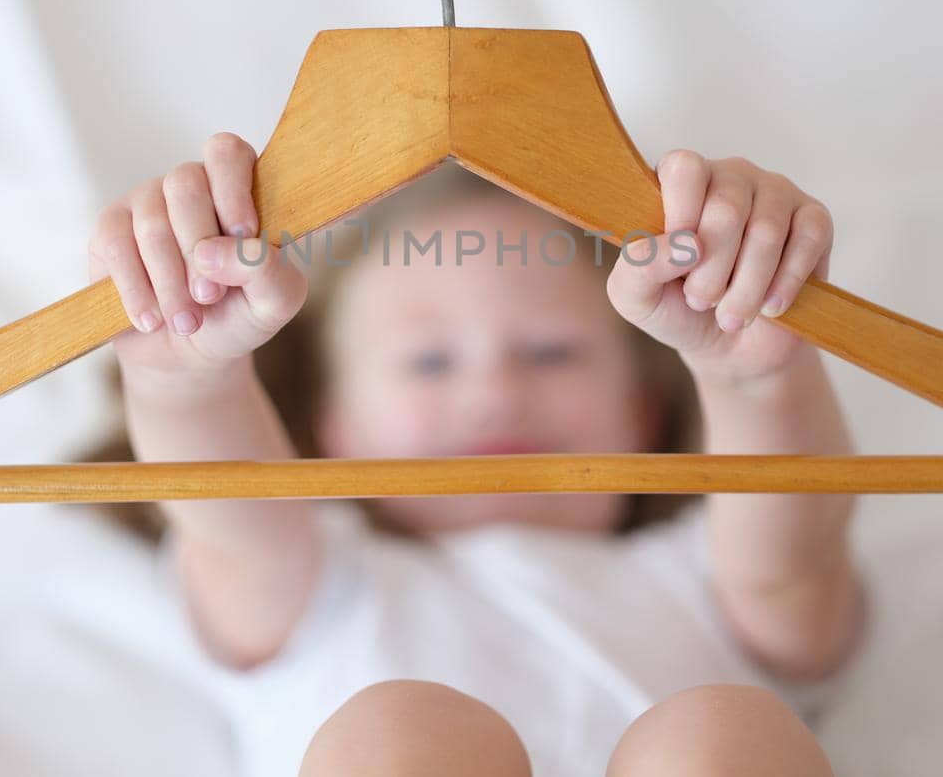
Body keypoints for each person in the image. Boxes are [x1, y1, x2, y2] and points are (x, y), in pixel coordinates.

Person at [85, 132, 869, 775]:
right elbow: (234, 524)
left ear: (641, 412)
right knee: (402, 732)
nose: (495, 392)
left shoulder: (705, 575)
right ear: (337, 436)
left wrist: (755, 376)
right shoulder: (325, 585)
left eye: (552, 351)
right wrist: (185, 382)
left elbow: (791, 553)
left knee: (724, 733)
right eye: (428, 362)